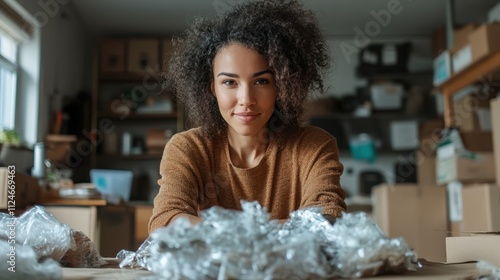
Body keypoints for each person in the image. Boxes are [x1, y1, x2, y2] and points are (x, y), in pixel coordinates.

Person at [148, 0, 346, 233]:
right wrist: (269, 229)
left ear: (281, 86)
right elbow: (166, 222)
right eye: (229, 82)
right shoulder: (189, 148)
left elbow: (327, 221)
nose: (246, 99)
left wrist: (221, 230)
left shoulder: (314, 146)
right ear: (213, 88)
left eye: (261, 81)